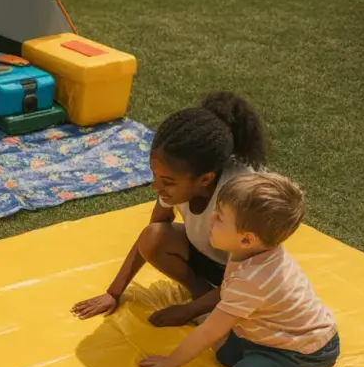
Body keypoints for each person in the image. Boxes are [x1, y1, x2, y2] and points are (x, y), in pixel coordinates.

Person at [138, 173, 361, 367]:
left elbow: (208, 333)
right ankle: (271, 359)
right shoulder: (253, 251)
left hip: (305, 352)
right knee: (225, 354)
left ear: (246, 239)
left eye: (219, 218)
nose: (210, 219)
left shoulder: (251, 279)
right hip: (272, 336)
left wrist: (169, 363)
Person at [72, 91, 268, 327]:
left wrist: (187, 311)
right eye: (155, 176)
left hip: (246, 275)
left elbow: (248, 275)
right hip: (213, 262)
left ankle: (211, 302)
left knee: (230, 343)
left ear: (204, 179)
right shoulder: (181, 178)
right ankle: (203, 293)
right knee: (154, 237)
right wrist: (113, 292)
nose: (156, 186)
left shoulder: (241, 194)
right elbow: (152, 233)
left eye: (167, 181)